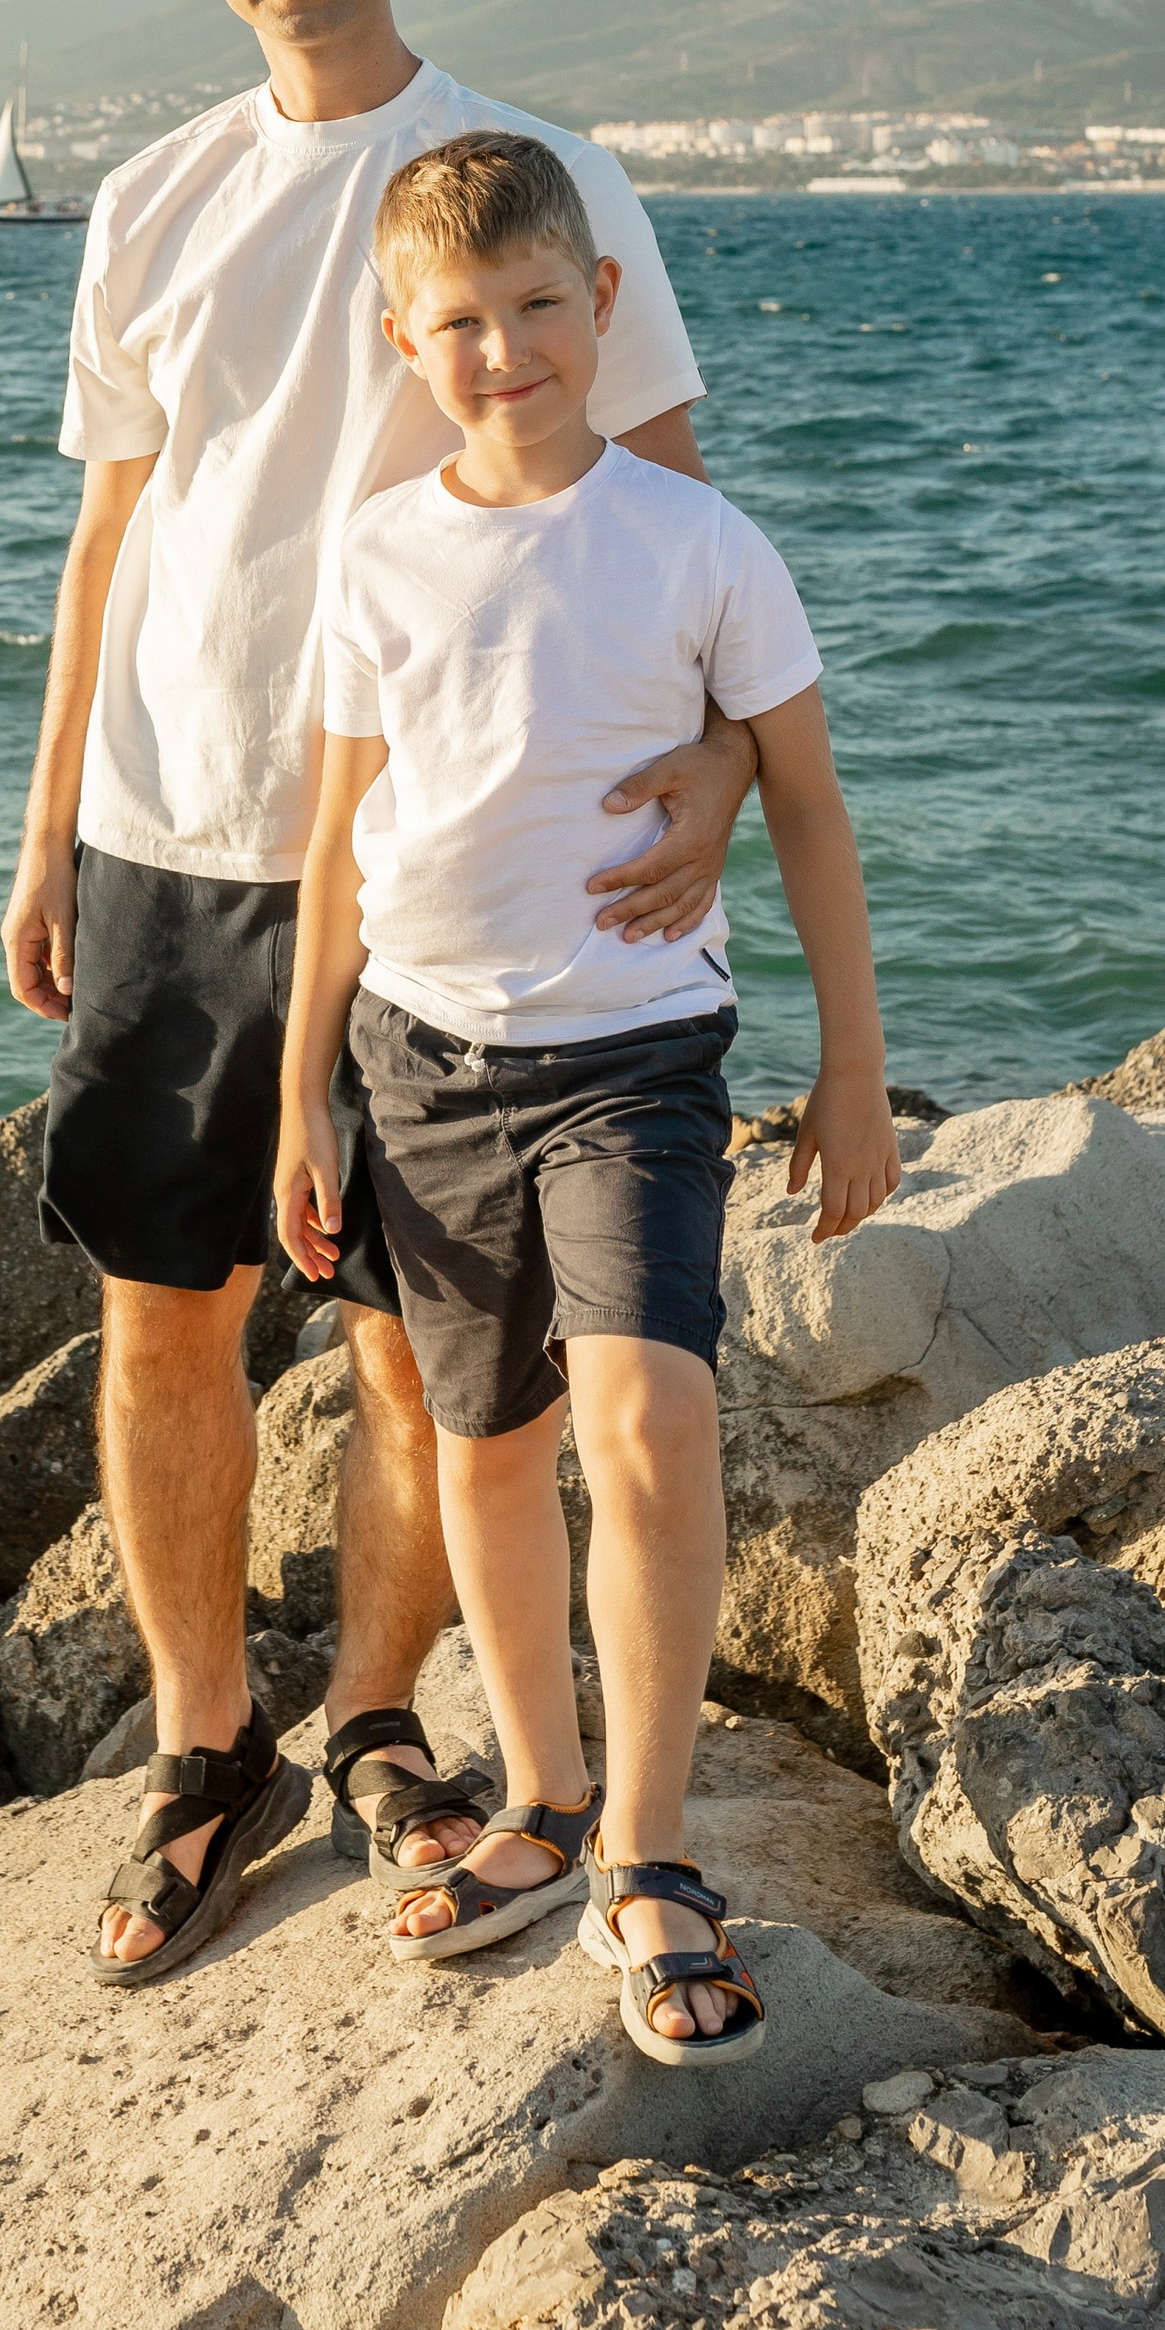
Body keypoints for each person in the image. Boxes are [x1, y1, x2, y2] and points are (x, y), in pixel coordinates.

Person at [1, 0, 764, 1984]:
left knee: (423, 1358)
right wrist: (43, 835)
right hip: (166, 833)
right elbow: (109, 535)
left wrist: (725, 768)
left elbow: (671, 511)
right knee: (167, 1319)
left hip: (436, 872)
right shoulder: (149, 200)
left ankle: (371, 1720)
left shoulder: (538, 178)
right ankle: (203, 1743)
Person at [274, 127, 899, 2061]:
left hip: (636, 1057)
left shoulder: (699, 543)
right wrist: (302, 1088)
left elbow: (808, 803)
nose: (505, 349)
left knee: (649, 1421)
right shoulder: (378, 552)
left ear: (603, 302)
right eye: (459, 321)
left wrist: (854, 1070)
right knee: (485, 1443)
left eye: (540, 304)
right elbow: (337, 839)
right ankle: (541, 1800)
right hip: (423, 1059)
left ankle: (652, 1850)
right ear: (403, 339)